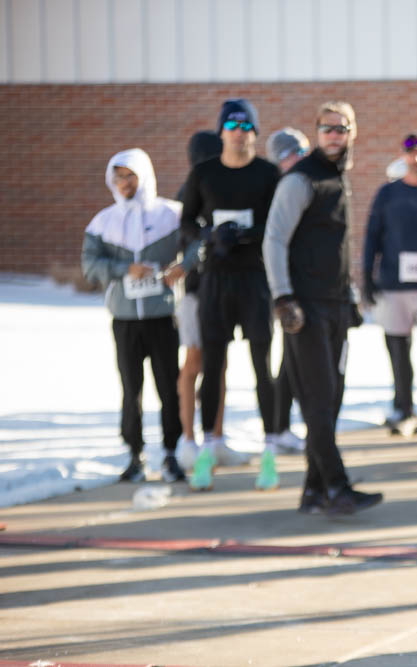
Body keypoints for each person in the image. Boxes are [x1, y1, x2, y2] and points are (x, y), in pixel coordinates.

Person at [263, 100, 383, 516]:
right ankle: (338, 486)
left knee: (330, 400)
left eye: (341, 128)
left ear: (352, 132)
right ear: (316, 133)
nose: (334, 135)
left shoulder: (337, 178)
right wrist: (283, 298)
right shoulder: (301, 180)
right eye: (327, 128)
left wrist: (350, 296)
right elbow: (274, 240)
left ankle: (313, 492)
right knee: (318, 399)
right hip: (305, 309)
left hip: (335, 306)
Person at [179, 98, 281, 491]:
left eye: (245, 125)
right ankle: (210, 448)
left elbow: (277, 222)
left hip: (254, 280)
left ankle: (269, 450)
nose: (238, 131)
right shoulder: (204, 173)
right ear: (221, 131)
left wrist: (247, 236)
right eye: (231, 124)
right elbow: (186, 220)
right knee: (213, 364)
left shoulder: (267, 174)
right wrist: (209, 236)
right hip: (215, 281)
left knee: (261, 363)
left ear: (254, 132)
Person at [82, 148, 195, 483]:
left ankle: (172, 453)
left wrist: (183, 267)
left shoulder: (170, 215)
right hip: (125, 318)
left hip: (162, 316)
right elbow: (90, 265)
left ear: (144, 175)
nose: (124, 183)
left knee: (167, 385)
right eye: (118, 177)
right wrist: (123, 269)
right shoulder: (103, 222)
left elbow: (196, 242)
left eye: (130, 175)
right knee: (131, 387)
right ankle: (135, 454)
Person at [361, 133, 417, 435]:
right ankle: (403, 407)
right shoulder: (388, 193)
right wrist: (367, 275)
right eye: (411, 153)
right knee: (398, 351)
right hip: (394, 285)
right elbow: (372, 235)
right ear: (403, 156)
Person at [173, 131, 227, 471]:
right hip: (195, 291)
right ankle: (188, 439)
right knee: (194, 363)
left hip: (222, 289)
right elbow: (186, 243)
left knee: (219, 367)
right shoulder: (190, 191)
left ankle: (217, 438)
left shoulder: (222, 188)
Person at [263, 127, 312, 454]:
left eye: (299, 154)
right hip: (281, 286)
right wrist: (282, 291)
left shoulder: (302, 183)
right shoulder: (279, 187)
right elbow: (274, 240)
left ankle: (283, 425)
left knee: (293, 361)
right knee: (288, 360)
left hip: (300, 284)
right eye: (288, 156)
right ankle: (278, 427)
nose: (294, 161)